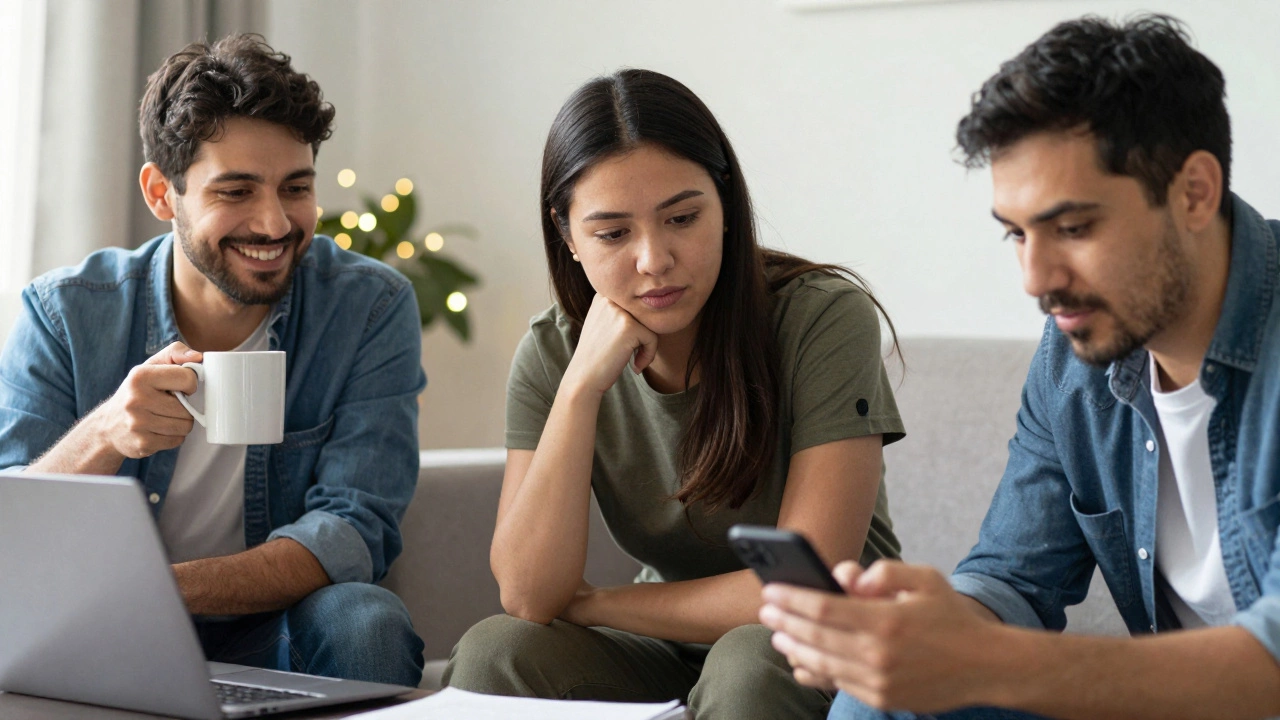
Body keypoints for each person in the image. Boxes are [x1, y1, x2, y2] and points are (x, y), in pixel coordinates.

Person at [758, 14, 1280, 720]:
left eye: (1072, 229)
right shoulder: (1074, 355)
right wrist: (932, 624)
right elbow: (1014, 577)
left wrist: (987, 659)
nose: (1036, 279)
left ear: (1194, 191)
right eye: (1016, 233)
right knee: (881, 703)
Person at [442, 69, 905, 719]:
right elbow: (526, 594)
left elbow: (806, 588)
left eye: (682, 218)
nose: (654, 259)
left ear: (725, 206)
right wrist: (579, 389)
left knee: (747, 662)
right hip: (664, 644)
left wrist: (595, 603)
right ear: (567, 235)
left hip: (820, 641)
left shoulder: (821, 317)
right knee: (497, 650)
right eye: (612, 233)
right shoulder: (553, 352)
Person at [0, 34, 426, 686]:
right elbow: (13, 538)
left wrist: (156, 590)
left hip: (269, 631)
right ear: (161, 193)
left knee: (363, 621)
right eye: (236, 191)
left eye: (296, 186)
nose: (276, 223)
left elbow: (353, 528)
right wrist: (108, 433)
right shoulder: (65, 313)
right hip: (100, 633)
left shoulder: (368, 308)